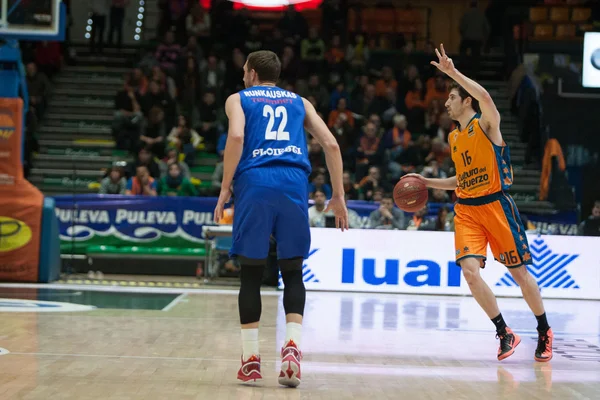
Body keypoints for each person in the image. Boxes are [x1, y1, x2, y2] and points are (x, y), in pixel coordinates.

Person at [403, 44, 553, 363]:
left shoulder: (486, 124)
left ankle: (544, 330)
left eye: (451, 97)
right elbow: (460, 180)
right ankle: (504, 332)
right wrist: (427, 182)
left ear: (466, 100)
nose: (446, 103)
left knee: (520, 273)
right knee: (469, 272)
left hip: (497, 206)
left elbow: (486, 98)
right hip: (467, 210)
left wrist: (453, 72)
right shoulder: (455, 138)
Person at [213, 50, 348, 387]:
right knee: (292, 271)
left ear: (253, 73)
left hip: (256, 184)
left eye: (245, 70)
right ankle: (291, 348)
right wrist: (338, 195)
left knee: (250, 274)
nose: (244, 75)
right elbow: (331, 144)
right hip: (293, 185)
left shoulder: (238, 99)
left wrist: (226, 187)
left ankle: (250, 359)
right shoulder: (300, 102)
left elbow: (238, 137)